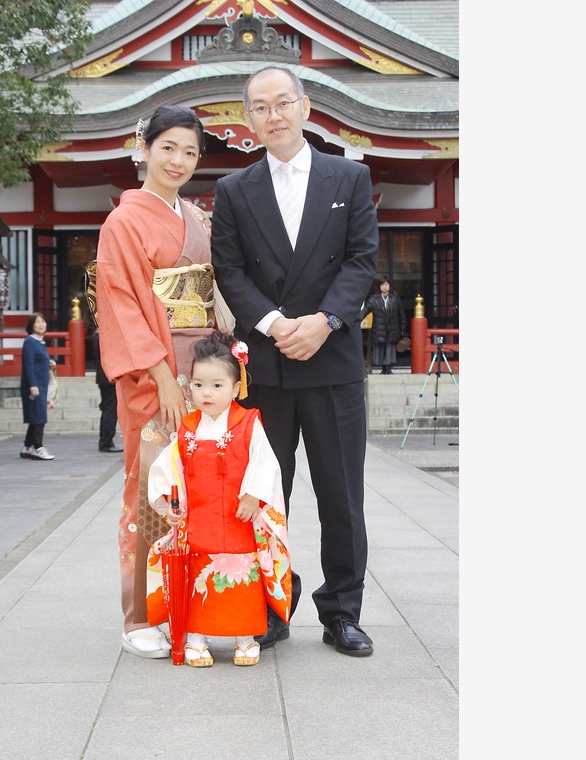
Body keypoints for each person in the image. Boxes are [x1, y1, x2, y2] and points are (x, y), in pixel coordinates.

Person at [211, 65, 379, 657]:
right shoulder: (234, 191)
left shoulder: (350, 177)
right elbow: (229, 270)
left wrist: (326, 320)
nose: (273, 115)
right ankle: (271, 604)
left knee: (341, 494)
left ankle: (342, 612)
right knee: (265, 493)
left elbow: (361, 260)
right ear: (249, 119)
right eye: (260, 107)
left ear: (305, 108)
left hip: (331, 360)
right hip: (269, 363)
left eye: (283, 103)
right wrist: (277, 324)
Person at [95, 104, 228, 659]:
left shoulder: (193, 216)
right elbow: (122, 303)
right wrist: (163, 377)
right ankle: (138, 616)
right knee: (149, 492)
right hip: (157, 373)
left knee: (196, 492)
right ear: (144, 146)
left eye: (190, 151)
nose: (179, 160)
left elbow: (206, 274)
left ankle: (187, 605)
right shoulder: (123, 221)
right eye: (168, 147)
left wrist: (217, 297)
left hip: (201, 369)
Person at [143, 332, 291, 667]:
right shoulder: (189, 427)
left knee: (242, 574)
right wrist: (171, 505)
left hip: (237, 516)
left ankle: (244, 638)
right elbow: (169, 467)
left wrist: (254, 494)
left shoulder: (248, 421)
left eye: (217, 385)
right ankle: (196, 639)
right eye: (198, 385)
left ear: (237, 387)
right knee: (199, 574)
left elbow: (265, 461)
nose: (205, 393)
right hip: (200, 517)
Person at [20, 312, 56, 461]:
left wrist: (49, 363)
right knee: (39, 417)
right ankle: (38, 447)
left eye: (43, 322)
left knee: (36, 416)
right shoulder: (30, 341)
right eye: (37, 322)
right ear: (31, 326)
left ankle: (27, 447)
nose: (41, 324)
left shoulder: (40, 341)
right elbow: (28, 365)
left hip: (42, 383)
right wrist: (32, 385)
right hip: (34, 386)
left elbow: (37, 361)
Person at [361, 278, 407, 374]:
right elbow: (366, 310)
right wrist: (358, 318)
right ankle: (383, 367)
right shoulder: (374, 299)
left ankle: (389, 367)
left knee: (390, 348)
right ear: (379, 287)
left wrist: (402, 327)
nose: (384, 287)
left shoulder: (395, 298)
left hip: (392, 327)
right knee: (380, 349)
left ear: (390, 286)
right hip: (379, 328)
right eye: (382, 285)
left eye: (386, 284)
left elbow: (401, 314)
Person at [91, 327, 122, 453]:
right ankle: (106, 442)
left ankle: (106, 440)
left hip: (104, 377)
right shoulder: (103, 334)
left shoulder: (98, 333)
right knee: (110, 410)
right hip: (109, 378)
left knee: (107, 409)